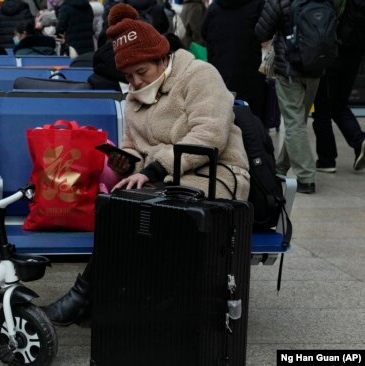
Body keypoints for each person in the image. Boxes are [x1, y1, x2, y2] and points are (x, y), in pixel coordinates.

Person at [42, 3, 250, 326]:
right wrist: (126, 164)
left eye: (143, 72)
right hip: (166, 183)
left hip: (216, 176)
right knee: (123, 210)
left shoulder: (200, 75)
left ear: (161, 58)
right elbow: (133, 150)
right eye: (129, 76)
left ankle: (86, 297)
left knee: (141, 214)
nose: (136, 83)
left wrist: (154, 169)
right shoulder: (134, 99)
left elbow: (211, 134)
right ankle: (109, 298)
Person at [255, 0, 327, 194]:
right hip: (316, 67)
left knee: (294, 122)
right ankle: (280, 167)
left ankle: (306, 177)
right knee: (298, 121)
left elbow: (262, 32)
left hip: (289, 69)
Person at [311, 0, 365, 173]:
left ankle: (327, 160)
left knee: (321, 109)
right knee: (338, 105)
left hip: (333, 53)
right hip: (355, 54)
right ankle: (359, 142)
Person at [202, 0, 266, 121]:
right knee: (252, 118)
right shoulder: (257, 4)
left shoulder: (214, 7)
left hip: (220, 72)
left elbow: (203, 32)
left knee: (225, 116)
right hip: (250, 71)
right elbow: (265, 32)